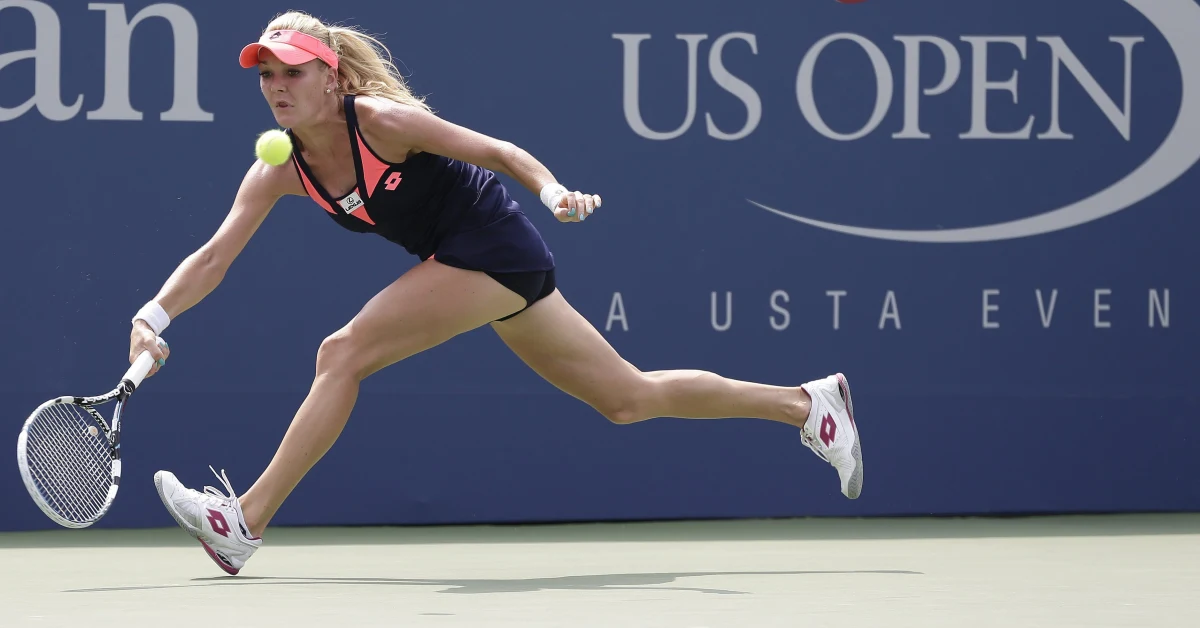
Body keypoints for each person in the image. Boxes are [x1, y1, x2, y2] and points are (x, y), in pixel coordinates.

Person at [135, 11, 864, 576]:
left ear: (331, 78)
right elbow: (212, 258)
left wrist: (552, 191)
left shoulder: (384, 123)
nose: (276, 87)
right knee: (627, 398)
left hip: (493, 246)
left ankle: (244, 523)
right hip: (476, 266)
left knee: (343, 352)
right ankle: (806, 405)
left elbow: (496, 151)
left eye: (290, 72)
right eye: (265, 75)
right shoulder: (277, 169)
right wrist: (154, 314)